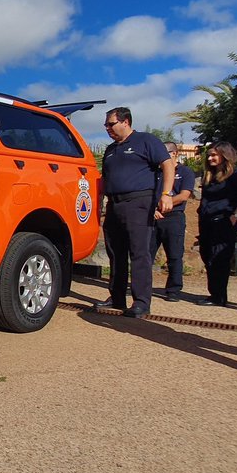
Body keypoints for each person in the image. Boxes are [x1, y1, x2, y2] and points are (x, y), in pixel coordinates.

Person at [93, 107, 176, 317]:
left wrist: (166, 194)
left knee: (139, 253)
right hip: (114, 205)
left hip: (138, 202)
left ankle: (141, 301)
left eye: (111, 124)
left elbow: (167, 164)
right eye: (105, 125)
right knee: (115, 253)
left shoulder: (146, 141)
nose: (107, 128)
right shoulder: (111, 149)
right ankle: (117, 298)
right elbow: (105, 179)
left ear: (126, 122)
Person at [195, 142, 237, 306]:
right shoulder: (209, 176)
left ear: (224, 156)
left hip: (224, 222)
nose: (211, 158)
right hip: (207, 222)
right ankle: (214, 293)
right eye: (209, 155)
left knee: (219, 258)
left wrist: (234, 216)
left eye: (214, 155)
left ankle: (219, 297)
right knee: (207, 256)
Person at [150, 142, 195, 301]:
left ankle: (174, 290)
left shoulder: (185, 172)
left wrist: (163, 204)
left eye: (165, 152)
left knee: (175, 255)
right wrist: (153, 209)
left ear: (174, 153)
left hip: (174, 217)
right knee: (147, 254)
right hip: (154, 217)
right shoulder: (156, 172)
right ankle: (144, 287)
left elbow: (184, 195)